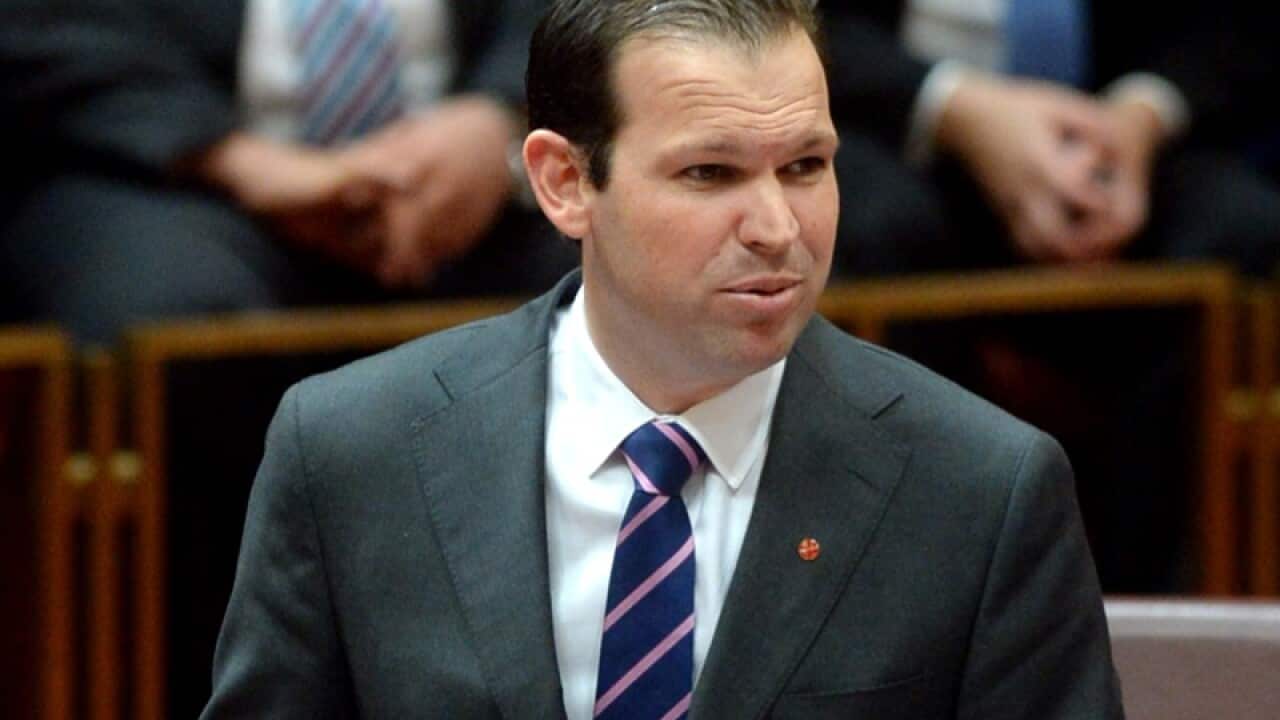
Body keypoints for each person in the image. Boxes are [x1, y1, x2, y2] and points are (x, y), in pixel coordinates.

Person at [202, 1, 1122, 717]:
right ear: (564, 183)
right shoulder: (350, 452)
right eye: (709, 174)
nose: (776, 229)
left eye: (806, 166)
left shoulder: (983, 490)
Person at [0, 0, 576, 345]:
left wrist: (503, 110)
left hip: (489, 167)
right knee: (167, 308)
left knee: (618, 268)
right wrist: (226, 156)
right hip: (171, 173)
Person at [820, 1, 1280, 277]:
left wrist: (1137, 118)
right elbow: (794, 20)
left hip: (1123, 126)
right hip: (901, 125)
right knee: (860, 222)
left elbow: (1234, 27)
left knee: (1241, 226)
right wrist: (960, 109)